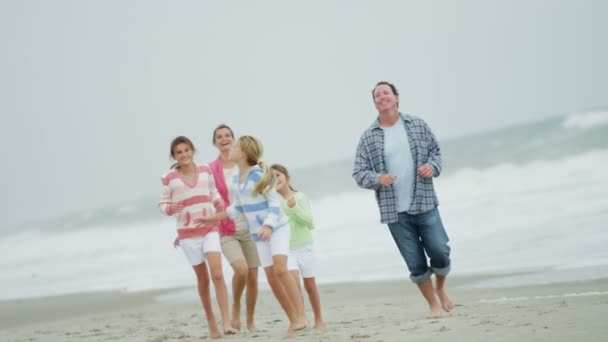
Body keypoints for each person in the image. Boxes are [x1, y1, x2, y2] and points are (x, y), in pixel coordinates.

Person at [352, 81, 454, 318]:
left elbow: (436, 153)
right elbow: (359, 173)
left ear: (396, 97)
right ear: (375, 103)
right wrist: (378, 178)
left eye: (386, 93)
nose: (382, 97)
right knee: (415, 262)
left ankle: (441, 288)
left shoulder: (417, 124)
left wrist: (431, 167)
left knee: (440, 250)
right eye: (377, 95)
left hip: (425, 202)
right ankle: (433, 305)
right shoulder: (369, 137)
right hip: (395, 212)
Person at [195, 136, 307, 336]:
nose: (231, 147)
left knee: (281, 270)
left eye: (235, 145)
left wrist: (269, 226)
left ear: (243, 153)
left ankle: (301, 316)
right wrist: (212, 219)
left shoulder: (257, 174)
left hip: (277, 228)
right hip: (259, 235)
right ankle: (293, 320)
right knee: (272, 278)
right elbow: (236, 208)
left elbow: (273, 202)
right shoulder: (237, 179)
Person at [158, 136, 236, 338]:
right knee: (203, 280)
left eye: (186, 150)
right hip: (187, 236)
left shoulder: (205, 170)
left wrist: (218, 203)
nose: (183, 154)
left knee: (217, 275)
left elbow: (213, 192)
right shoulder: (169, 178)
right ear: (174, 156)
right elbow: (162, 203)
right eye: (179, 152)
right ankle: (212, 321)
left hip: (209, 228)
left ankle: (226, 322)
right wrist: (169, 208)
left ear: (193, 151)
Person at [208, 124, 260, 332]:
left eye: (228, 135)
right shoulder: (211, 169)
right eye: (219, 137)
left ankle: (250, 320)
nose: (224, 139)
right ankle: (236, 306)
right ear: (214, 142)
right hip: (226, 228)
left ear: (234, 139)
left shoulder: (244, 163)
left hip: (251, 227)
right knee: (241, 269)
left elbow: (263, 187)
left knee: (254, 277)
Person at [271, 164, 326, 331]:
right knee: (293, 282)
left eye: (278, 175)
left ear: (287, 177)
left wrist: (293, 208)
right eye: (272, 177)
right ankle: (300, 319)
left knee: (310, 286)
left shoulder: (300, 197)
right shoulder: (274, 202)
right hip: (287, 250)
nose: (276, 179)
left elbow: (309, 222)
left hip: (304, 247)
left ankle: (318, 319)